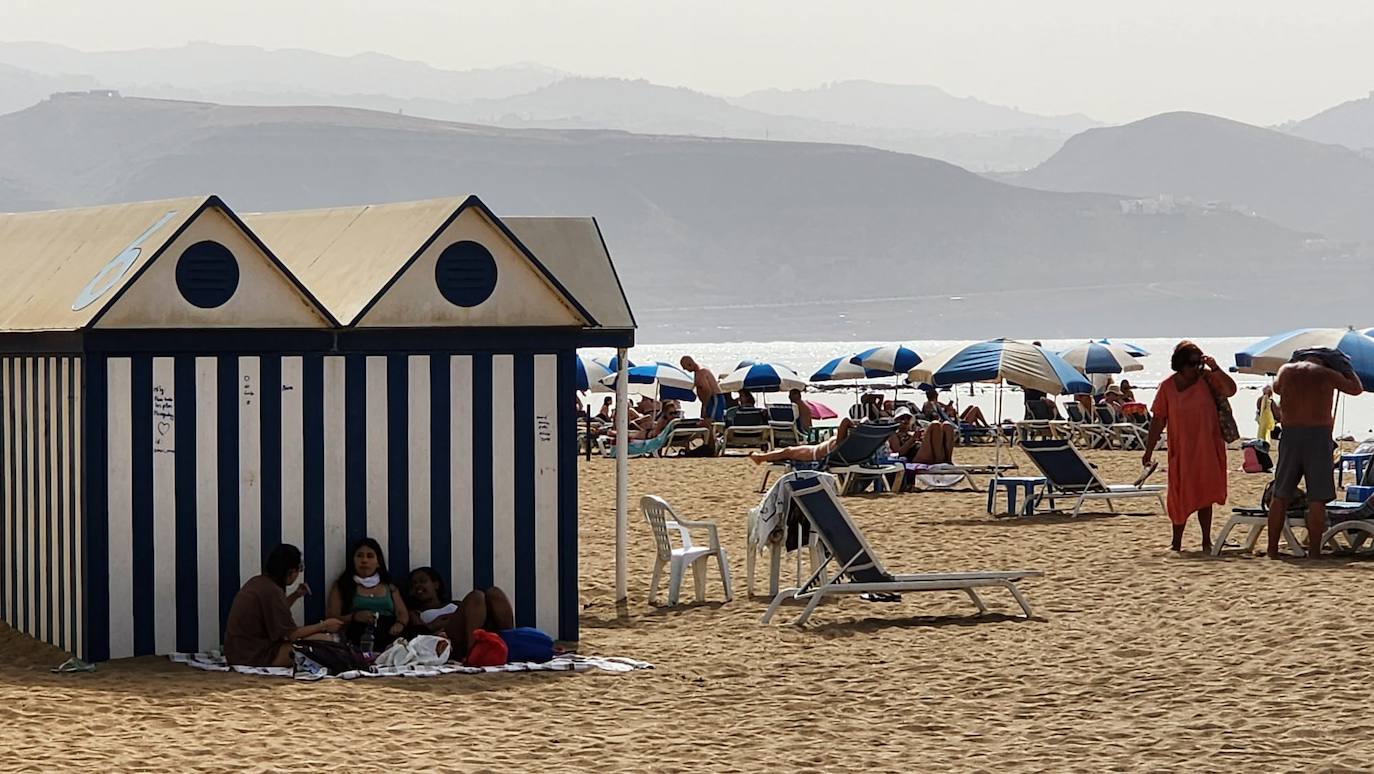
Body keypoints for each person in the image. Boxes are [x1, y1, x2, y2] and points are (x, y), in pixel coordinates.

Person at [1141, 342, 1237, 552]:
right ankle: (1176, 542)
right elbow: (1158, 420)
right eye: (1193, 364)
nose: (1197, 368)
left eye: (1199, 363)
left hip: (1208, 446)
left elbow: (1231, 390)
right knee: (1179, 494)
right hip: (1182, 450)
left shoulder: (1208, 380)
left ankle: (1205, 541)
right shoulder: (1167, 387)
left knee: (1205, 493)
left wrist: (1215, 368)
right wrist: (1148, 450)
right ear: (1181, 364)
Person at [1266, 351, 1363, 558]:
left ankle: (1272, 549)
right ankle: (1315, 552)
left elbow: (1276, 388)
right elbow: (1356, 388)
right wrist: (1345, 368)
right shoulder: (1326, 373)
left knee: (1280, 495)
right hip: (1317, 435)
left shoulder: (1285, 370)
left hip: (1290, 434)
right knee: (1317, 499)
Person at [224, 544, 344, 667]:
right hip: (254, 657)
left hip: (238, 654)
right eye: (299, 569)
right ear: (290, 572)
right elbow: (292, 634)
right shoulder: (271, 591)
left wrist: (295, 595)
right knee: (323, 642)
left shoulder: (259, 582)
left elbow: (275, 611)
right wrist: (324, 625)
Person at [405, 567, 515, 660]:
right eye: (414, 584)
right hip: (449, 640)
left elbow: (473, 612)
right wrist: (435, 624)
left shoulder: (455, 603)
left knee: (494, 593)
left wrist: (455, 617)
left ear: (436, 585)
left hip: (475, 629)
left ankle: (511, 642)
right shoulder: (415, 613)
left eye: (423, 581)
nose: (418, 586)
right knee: (476, 596)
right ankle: (471, 651)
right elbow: (419, 637)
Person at [326, 537, 410, 652]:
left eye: (370, 556)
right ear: (353, 560)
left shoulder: (389, 586)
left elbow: (402, 613)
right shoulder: (342, 586)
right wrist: (355, 617)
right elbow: (331, 618)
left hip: (389, 634)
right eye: (359, 556)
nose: (364, 560)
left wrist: (400, 624)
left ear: (378, 562)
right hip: (357, 635)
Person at [749, 417, 853, 464]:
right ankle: (761, 457)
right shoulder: (850, 444)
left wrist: (853, 425)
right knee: (788, 451)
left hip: (813, 454)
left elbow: (845, 421)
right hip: (815, 450)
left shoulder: (841, 442)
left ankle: (760, 458)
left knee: (788, 451)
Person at [681, 356, 726, 422]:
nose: (684, 369)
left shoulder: (701, 372)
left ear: (689, 364)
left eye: (685, 367)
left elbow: (708, 390)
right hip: (709, 400)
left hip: (714, 398)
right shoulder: (698, 372)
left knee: (712, 421)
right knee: (706, 420)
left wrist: (705, 405)